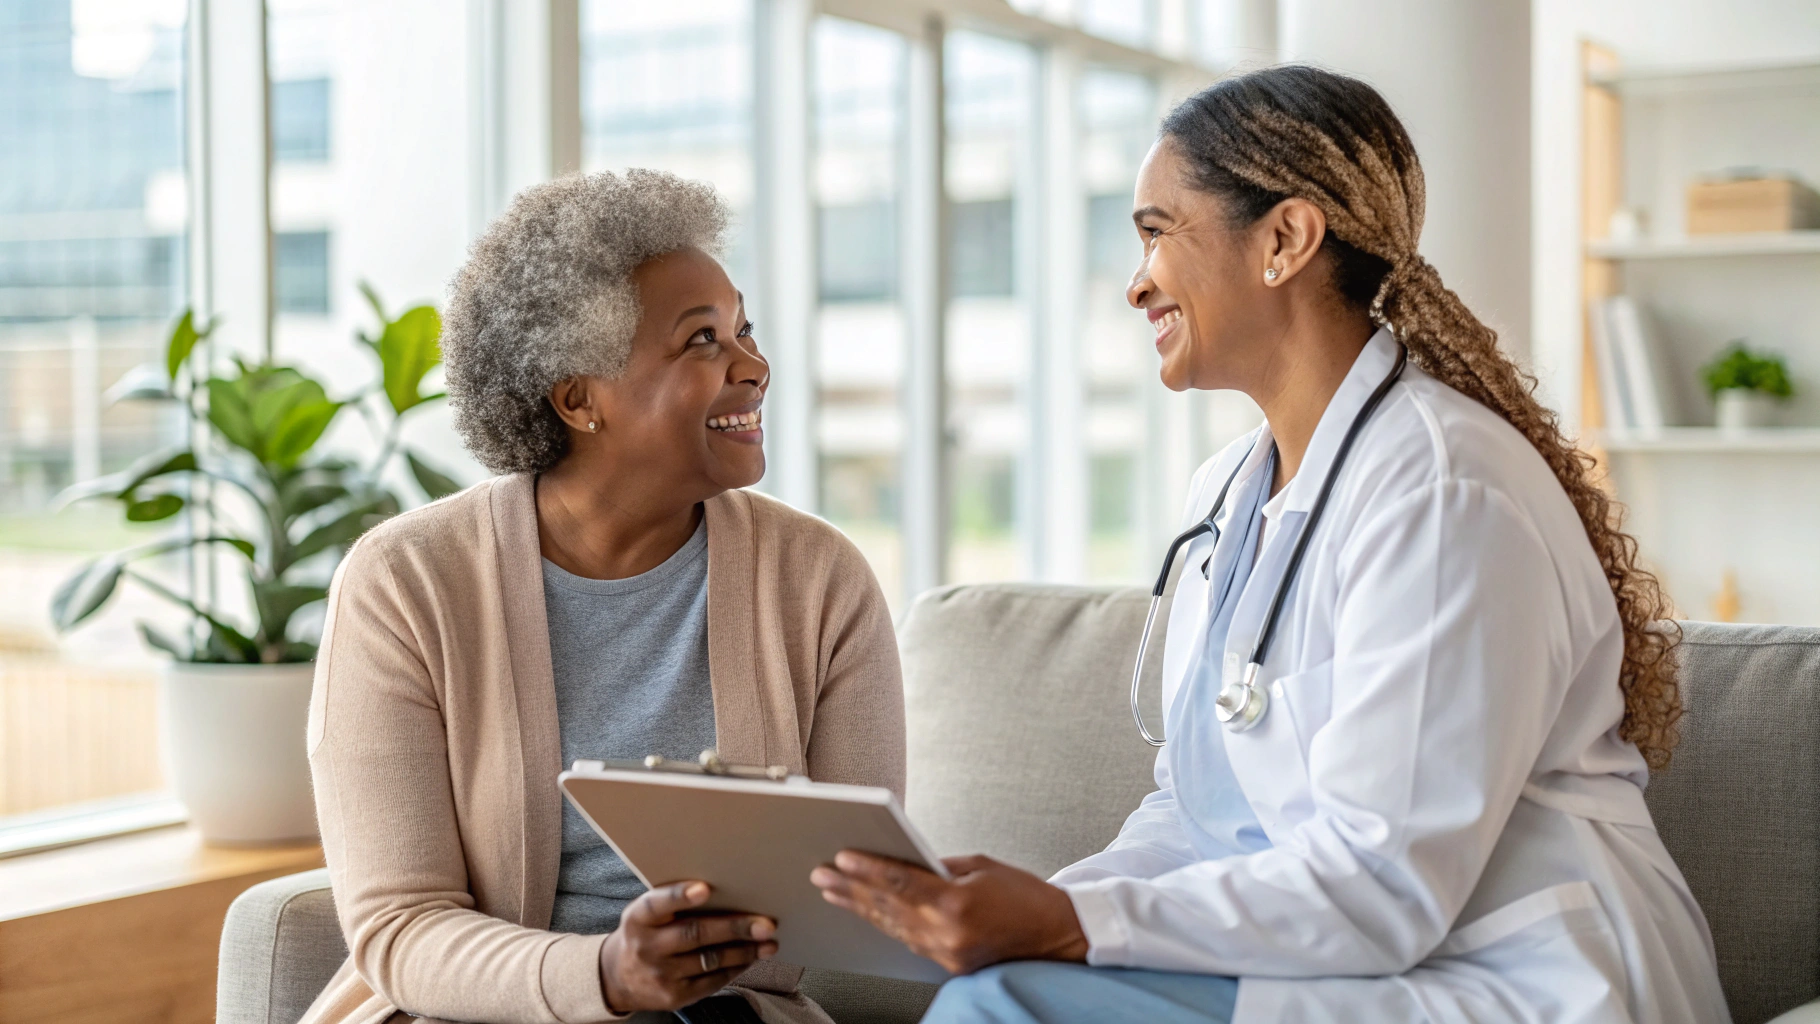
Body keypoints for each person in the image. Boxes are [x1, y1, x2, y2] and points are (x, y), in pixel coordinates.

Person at [810, 65, 1729, 1024]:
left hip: (1517, 977)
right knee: (993, 988)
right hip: (1341, 961)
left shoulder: (1444, 489)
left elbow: (1386, 886)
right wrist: (1034, 909)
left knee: (1000, 1010)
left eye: (1157, 233)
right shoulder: (1229, 496)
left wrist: (1067, 924)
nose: (1136, 284)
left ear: (1283, 240)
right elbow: (1195, 811)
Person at [302, 170, 904, 1024]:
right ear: (579, 398)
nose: (755, 367)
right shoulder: (404, 583)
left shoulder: (821, 580)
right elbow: (401, 926)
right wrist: (609, 975)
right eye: (703, 340)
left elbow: (853, 895)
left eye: (746, 331)